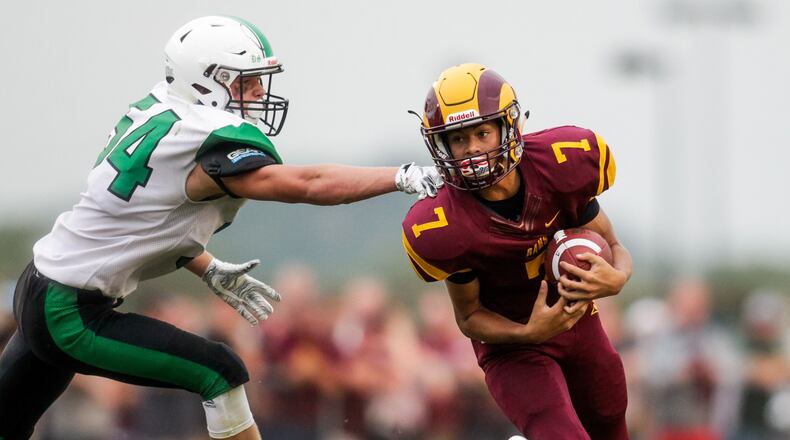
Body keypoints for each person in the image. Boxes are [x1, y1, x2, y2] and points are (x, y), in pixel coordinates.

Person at [0, 15, 442, 440]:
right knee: (221, 372)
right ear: (205, 80)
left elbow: (141, 218)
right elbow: (306, 184)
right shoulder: (206, 136)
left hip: (40, 286)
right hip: (70, 312)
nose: (256, 93)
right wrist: (398, 176)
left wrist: (206, 266)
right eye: (245, 82)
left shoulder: (160, 111)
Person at [401, 63, 632, 439]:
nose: (472, 148)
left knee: (611, 426)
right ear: (440, 145)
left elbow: (617, 248)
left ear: (508, 127)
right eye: (459, 139)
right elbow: (469, 316)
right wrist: (528, 332)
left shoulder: (563, 163)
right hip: (511, 347)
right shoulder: (442, 225)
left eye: (482, 132)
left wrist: (616, 279)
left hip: (579, 324)